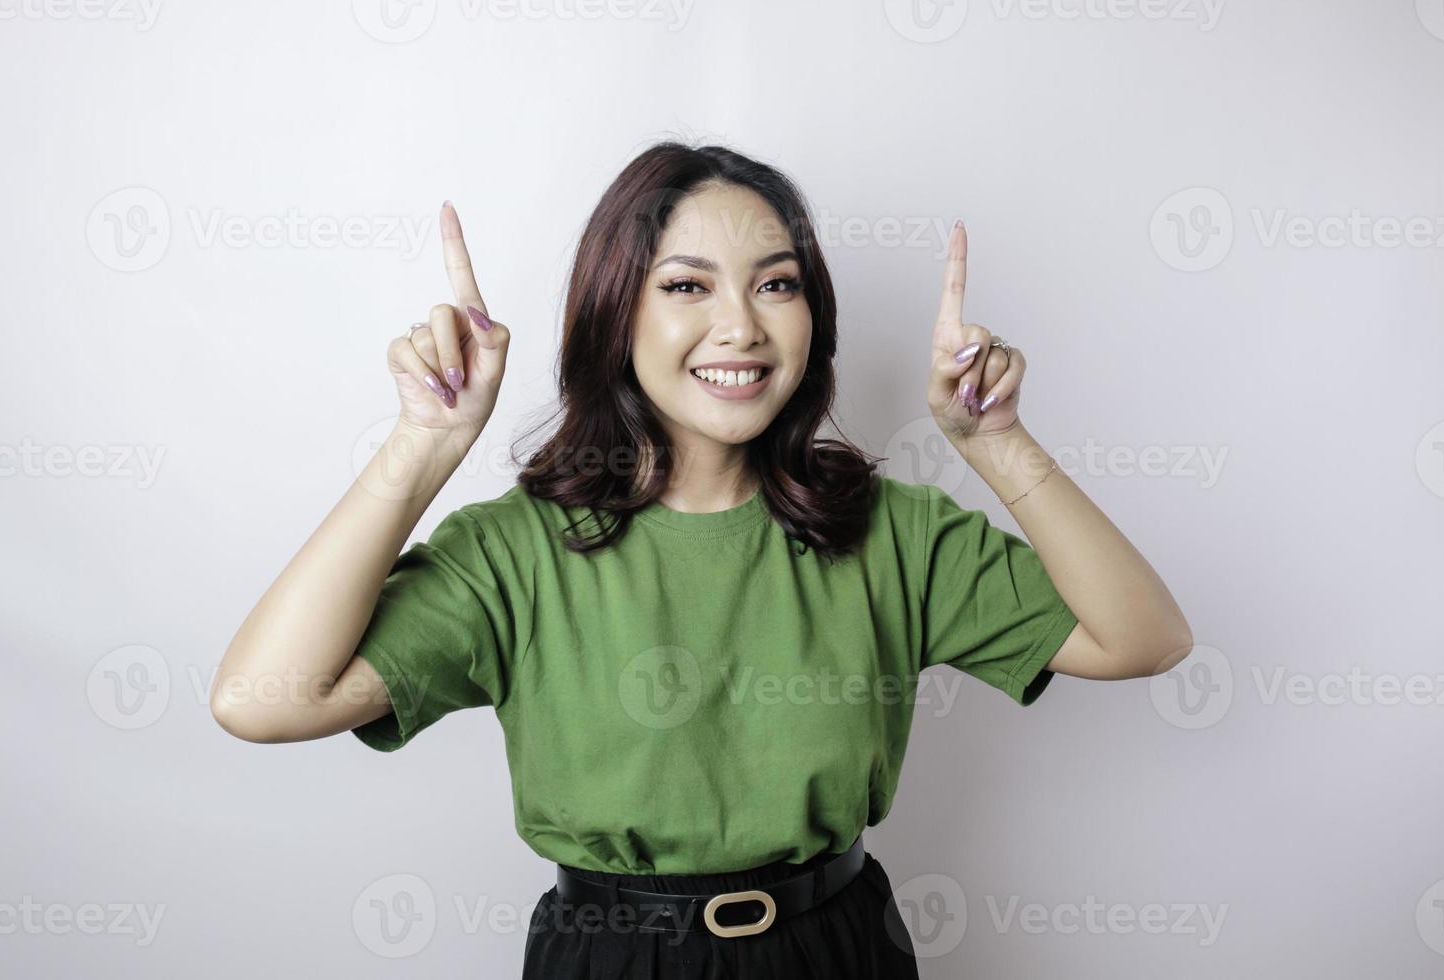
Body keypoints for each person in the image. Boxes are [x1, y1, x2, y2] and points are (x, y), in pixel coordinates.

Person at [211, 141, 1194, 978]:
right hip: (610, 954)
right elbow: (264, 697)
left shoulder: (894, 530)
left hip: (837, 945)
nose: (742, 326)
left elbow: (1143, 636)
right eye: (687, 285)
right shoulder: (513, 552)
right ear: (615, 313)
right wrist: (424, 443)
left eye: (778, 283)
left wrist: (995, 439)